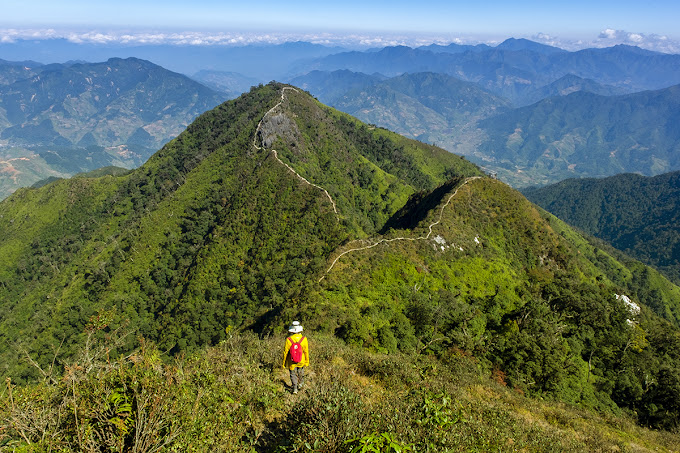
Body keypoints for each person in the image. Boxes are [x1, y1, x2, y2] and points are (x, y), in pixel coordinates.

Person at [282, 321, 309, 394]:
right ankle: (301, 384)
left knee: (293, 374)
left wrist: (284, 363)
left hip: (292, 361)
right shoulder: (304, 339)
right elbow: (306, 351)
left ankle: (295, 389)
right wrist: (307, 361)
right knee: (301, 372)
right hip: (301, 360)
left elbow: (285, 352)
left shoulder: (288, 339)